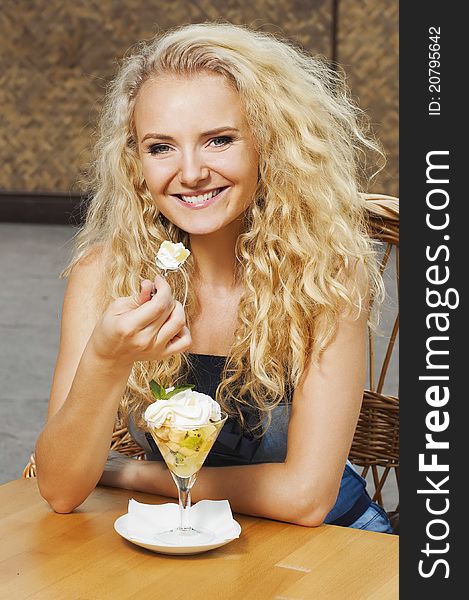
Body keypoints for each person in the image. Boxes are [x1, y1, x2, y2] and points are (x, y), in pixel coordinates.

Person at [35, 22, 393, 533]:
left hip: (329, 545)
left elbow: (307, 498)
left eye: (219, 140)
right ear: (135, 163)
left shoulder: (326, 275)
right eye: (161, 147)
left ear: (269, 144)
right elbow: (61, 489)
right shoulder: (104, 273)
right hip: (178, 539)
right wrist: (105, 361)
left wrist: (133, 474)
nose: (191, 172)